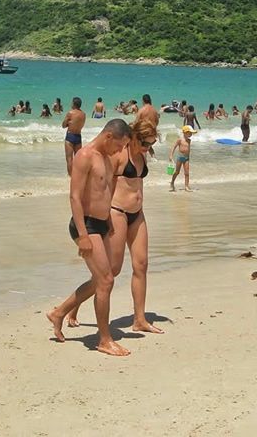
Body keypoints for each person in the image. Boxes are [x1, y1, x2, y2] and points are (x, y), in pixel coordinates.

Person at [65, 118, 163, 335]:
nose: (148, 148)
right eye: (145, 143)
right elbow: (102, 187)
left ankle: (140, 319)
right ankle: (73, 306)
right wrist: (101, 221)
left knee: (141, 264)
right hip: (117, 212)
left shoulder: (143, 154)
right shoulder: (118, 153)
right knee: (112, 270)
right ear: (134, 137)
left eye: (151, 144)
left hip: (137, 213)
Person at [46, 119, 132, 356]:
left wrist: (109, 223)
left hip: (101, 224)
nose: (120, 151)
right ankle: (104, 340)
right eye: (119, 145)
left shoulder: (105, 158)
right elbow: (74, 197)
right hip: (85, 225)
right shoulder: (85, 156)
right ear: (109, 137)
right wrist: (83, 235)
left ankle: (59, 312)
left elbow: (104, 192)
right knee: (105, 281)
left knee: (101, 279)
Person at [62, 97, 86, 175]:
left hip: (70, 136)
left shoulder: (70, 113)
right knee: (78, 159)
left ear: (74, 104)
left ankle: (71, 177)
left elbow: (63, 125)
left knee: (69, 159)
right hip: (78, 136)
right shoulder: (83, 114)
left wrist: (68, 122)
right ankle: (78, 176)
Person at [169, 125, 196, 192]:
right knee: (177, 172)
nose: (191, 134)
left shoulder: (189, 140)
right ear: (185, 132)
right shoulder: (180, 140)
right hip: (180, 157)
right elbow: (174, 147)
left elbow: (188, 149)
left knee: (187, 173)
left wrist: (188, 157)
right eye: (189, 133)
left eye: (191, 133)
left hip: (186, 158)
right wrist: (171, 155)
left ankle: (186, 186)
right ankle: (172, 182)